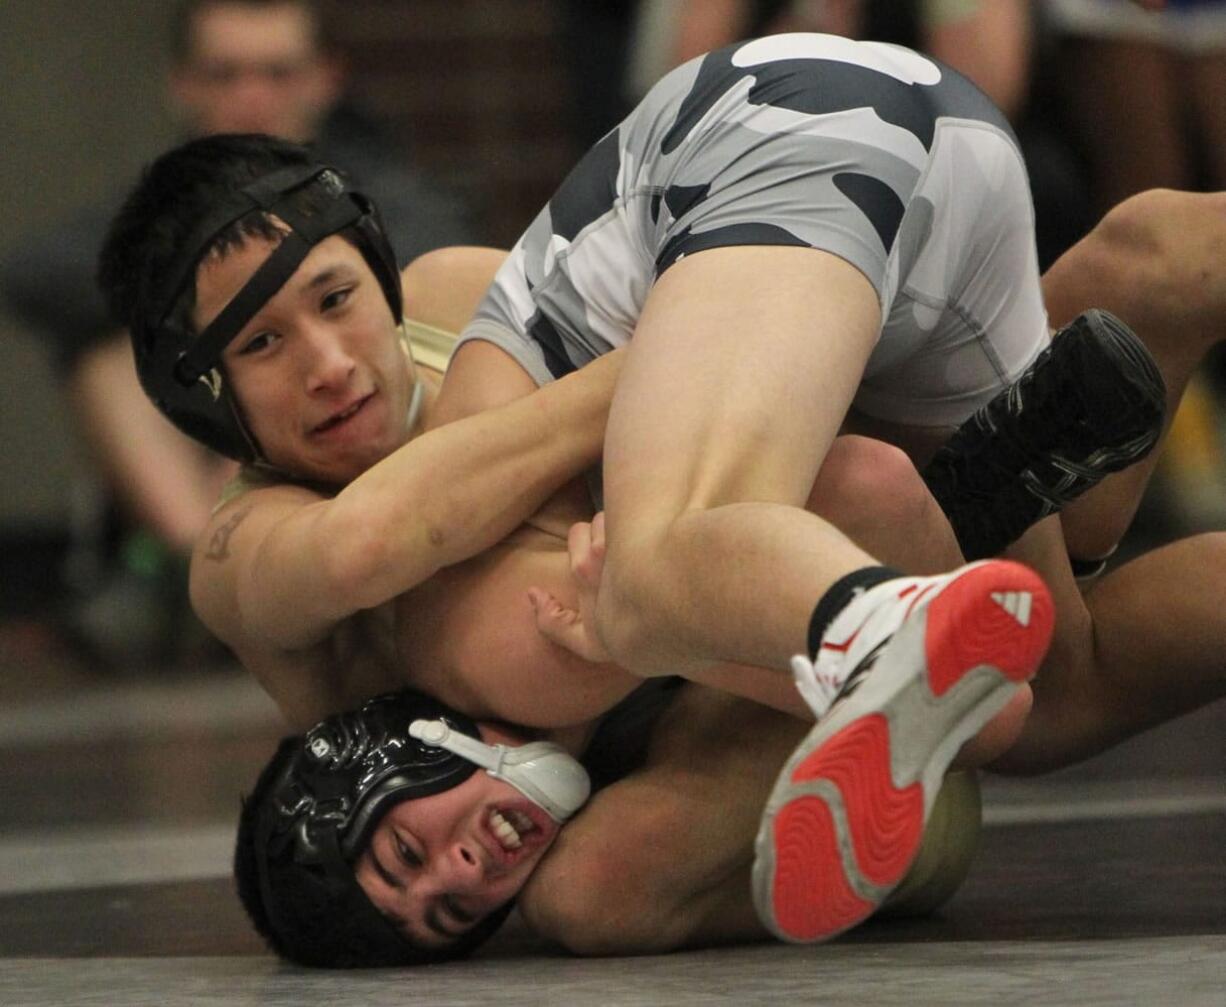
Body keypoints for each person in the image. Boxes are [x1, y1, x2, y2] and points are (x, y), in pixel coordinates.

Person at [98, 34, 1226, 962]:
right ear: (207, 407)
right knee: (1028, 633)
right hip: (783, 578)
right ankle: (1119, 318)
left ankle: (906, 588)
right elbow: (364, 545)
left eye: (338, 300)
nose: (333, 363)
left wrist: (687, 356)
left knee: (657, 621)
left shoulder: (450, 302)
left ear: (377, 269)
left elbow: (416, 522)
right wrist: (688, 359)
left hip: (807, 409)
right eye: (262, 345)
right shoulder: (245, 540)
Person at [0, 0, 474, 666]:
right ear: (183, 83)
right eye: (225, 75)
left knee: (292, 349)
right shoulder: (163, 203)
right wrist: (205, 316)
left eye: (277, 73)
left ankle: (225, 581)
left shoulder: (375, 184)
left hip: (355, 443)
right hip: (201, 480)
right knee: (118, 357)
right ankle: (208, 558)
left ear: (324, 78)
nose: (251, 98)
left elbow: (433, 259)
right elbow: (33, 271)